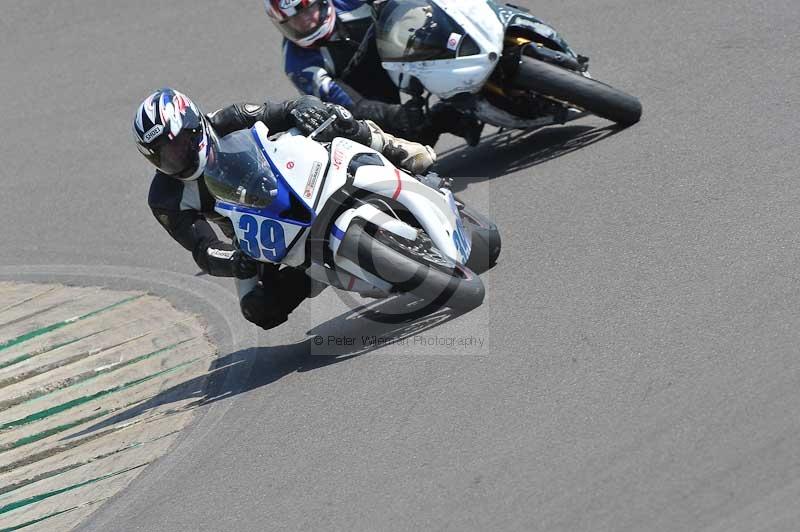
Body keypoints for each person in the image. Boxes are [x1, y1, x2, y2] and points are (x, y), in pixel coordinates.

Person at [133, 87, 436, 330]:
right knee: (258, 309)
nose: (174, 158)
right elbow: (202, 249)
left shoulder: (228, 119)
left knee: (329, 115)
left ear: (194, 128)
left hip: (293, 175)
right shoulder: (165, 197)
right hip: (254, 234)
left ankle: (393, 148)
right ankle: (317, 272)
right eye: (162, 155)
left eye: (177, 145)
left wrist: (304, 109)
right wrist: (234, 261)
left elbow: (286, 109)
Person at [265, 0, 483, 146]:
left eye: (307, 9)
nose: (306, 20)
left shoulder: (346, 2)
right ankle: (447, 117)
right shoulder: (298, 63)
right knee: (410, 137)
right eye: (295, 19)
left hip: (402, 44)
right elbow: (345, 104)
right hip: (367, 88)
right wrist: (393, 115)